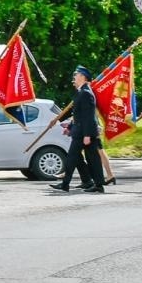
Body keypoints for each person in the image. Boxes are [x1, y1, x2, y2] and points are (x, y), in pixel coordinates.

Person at [52, 65, 104, 193]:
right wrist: (70, 127)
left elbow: (88, 116)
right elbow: (78, 114)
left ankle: (66, 184)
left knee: (73, 157)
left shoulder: (86, 93)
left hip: (83, 133)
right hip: (81, 131)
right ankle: (96, 184)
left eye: (76, 75)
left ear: (82, 77)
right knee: (91, 159)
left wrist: (86, 135)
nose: (74, 77)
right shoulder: (81, 92)